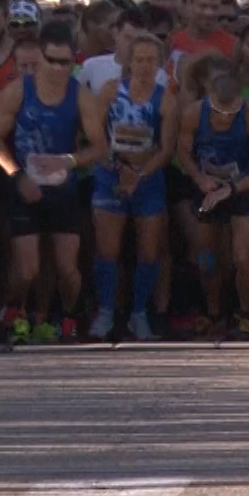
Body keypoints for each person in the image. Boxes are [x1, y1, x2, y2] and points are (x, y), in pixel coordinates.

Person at [0, 23, 106, 344]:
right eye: (51, 60)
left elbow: (99, 146)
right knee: (26, 269)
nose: (57, 68)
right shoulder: (18, 92)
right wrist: (17, 176)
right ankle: (15, 310)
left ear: (74, 62)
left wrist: (69, 161)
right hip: (24, 186)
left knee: (68, 268)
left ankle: (65, 316)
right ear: (39, 57)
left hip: (63, 189)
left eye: (64, 62)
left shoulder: (80, 96)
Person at [88, 31, 175, 341]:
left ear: (160, 63)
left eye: (151, 60)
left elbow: (167, 149)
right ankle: (107, 311)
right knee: (107, 250)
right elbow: (95, 135)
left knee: (149, 252)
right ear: (128, 61)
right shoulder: (110, 91)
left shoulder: (165, 99)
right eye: (139, 60)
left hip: (148, 179)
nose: (144, 66)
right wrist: (116, 166)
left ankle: (139, 311)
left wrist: (140, 174)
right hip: (111, 175)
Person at [177, 57, 249, 336]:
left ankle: (245, 311)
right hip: (207, 187)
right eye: (219, 112)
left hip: (242, 189)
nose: (225, 118)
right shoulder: (194, 113)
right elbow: (183, 153)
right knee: (206, 255)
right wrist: (201, 179)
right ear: (209, 99)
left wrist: (232, 189)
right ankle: (213, 309)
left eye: (231, 112)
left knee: (242, 256)